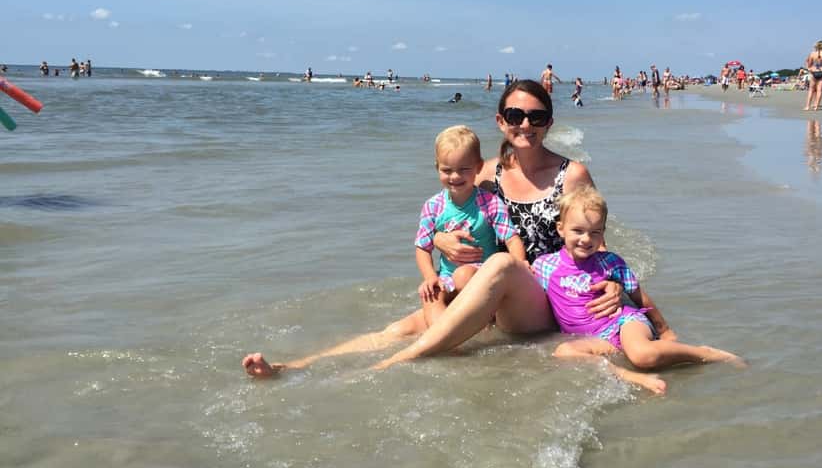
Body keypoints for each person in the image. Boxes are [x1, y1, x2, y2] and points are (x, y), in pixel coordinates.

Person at [243, 80, 623, 377]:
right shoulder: (485, 173)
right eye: (515, 115)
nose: (525, 124)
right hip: (484, 288)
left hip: (540, 299)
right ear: (500, 121)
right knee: (401, 326)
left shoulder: (571, 175)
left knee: (504, 266)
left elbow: (595, 237)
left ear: (549, 123)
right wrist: (440, 240)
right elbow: (456, 217)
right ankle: (295, 367)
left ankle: (405, 361)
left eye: (536, 117)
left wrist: (618, 286)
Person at [534, 186, 743, 394]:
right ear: (560, 228)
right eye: (577, 231)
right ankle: (630, 376)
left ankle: (703, 353)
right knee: (564, 352)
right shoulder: (545, 266)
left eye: (595, 232)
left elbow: (638, 296)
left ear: (603, 233)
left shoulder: (610, 263)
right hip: (594, 339)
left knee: (643, 355)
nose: (586, 239)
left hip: (624, 322)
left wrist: (665, 331)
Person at [415, 126, 526, 327]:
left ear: (478, 167)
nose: (455, 176)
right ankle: (443, 336)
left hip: (482, 274)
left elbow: (511, 238)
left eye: (463, 169)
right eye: (446, 170)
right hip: (447, 278)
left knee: (463, 274)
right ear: (437, 168)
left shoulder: (490, 203)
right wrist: (431, 277)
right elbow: (422, 248)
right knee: (429, 294)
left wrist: (520, 265)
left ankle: (480, 323)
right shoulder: (433, 206)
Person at [803, 40, 822, 111]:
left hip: (814, 71)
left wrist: (809, 68)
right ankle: (816, 106)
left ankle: (807, 106)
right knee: (819, 90)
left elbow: (809, 63)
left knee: (811, 90)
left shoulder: (812, 53)